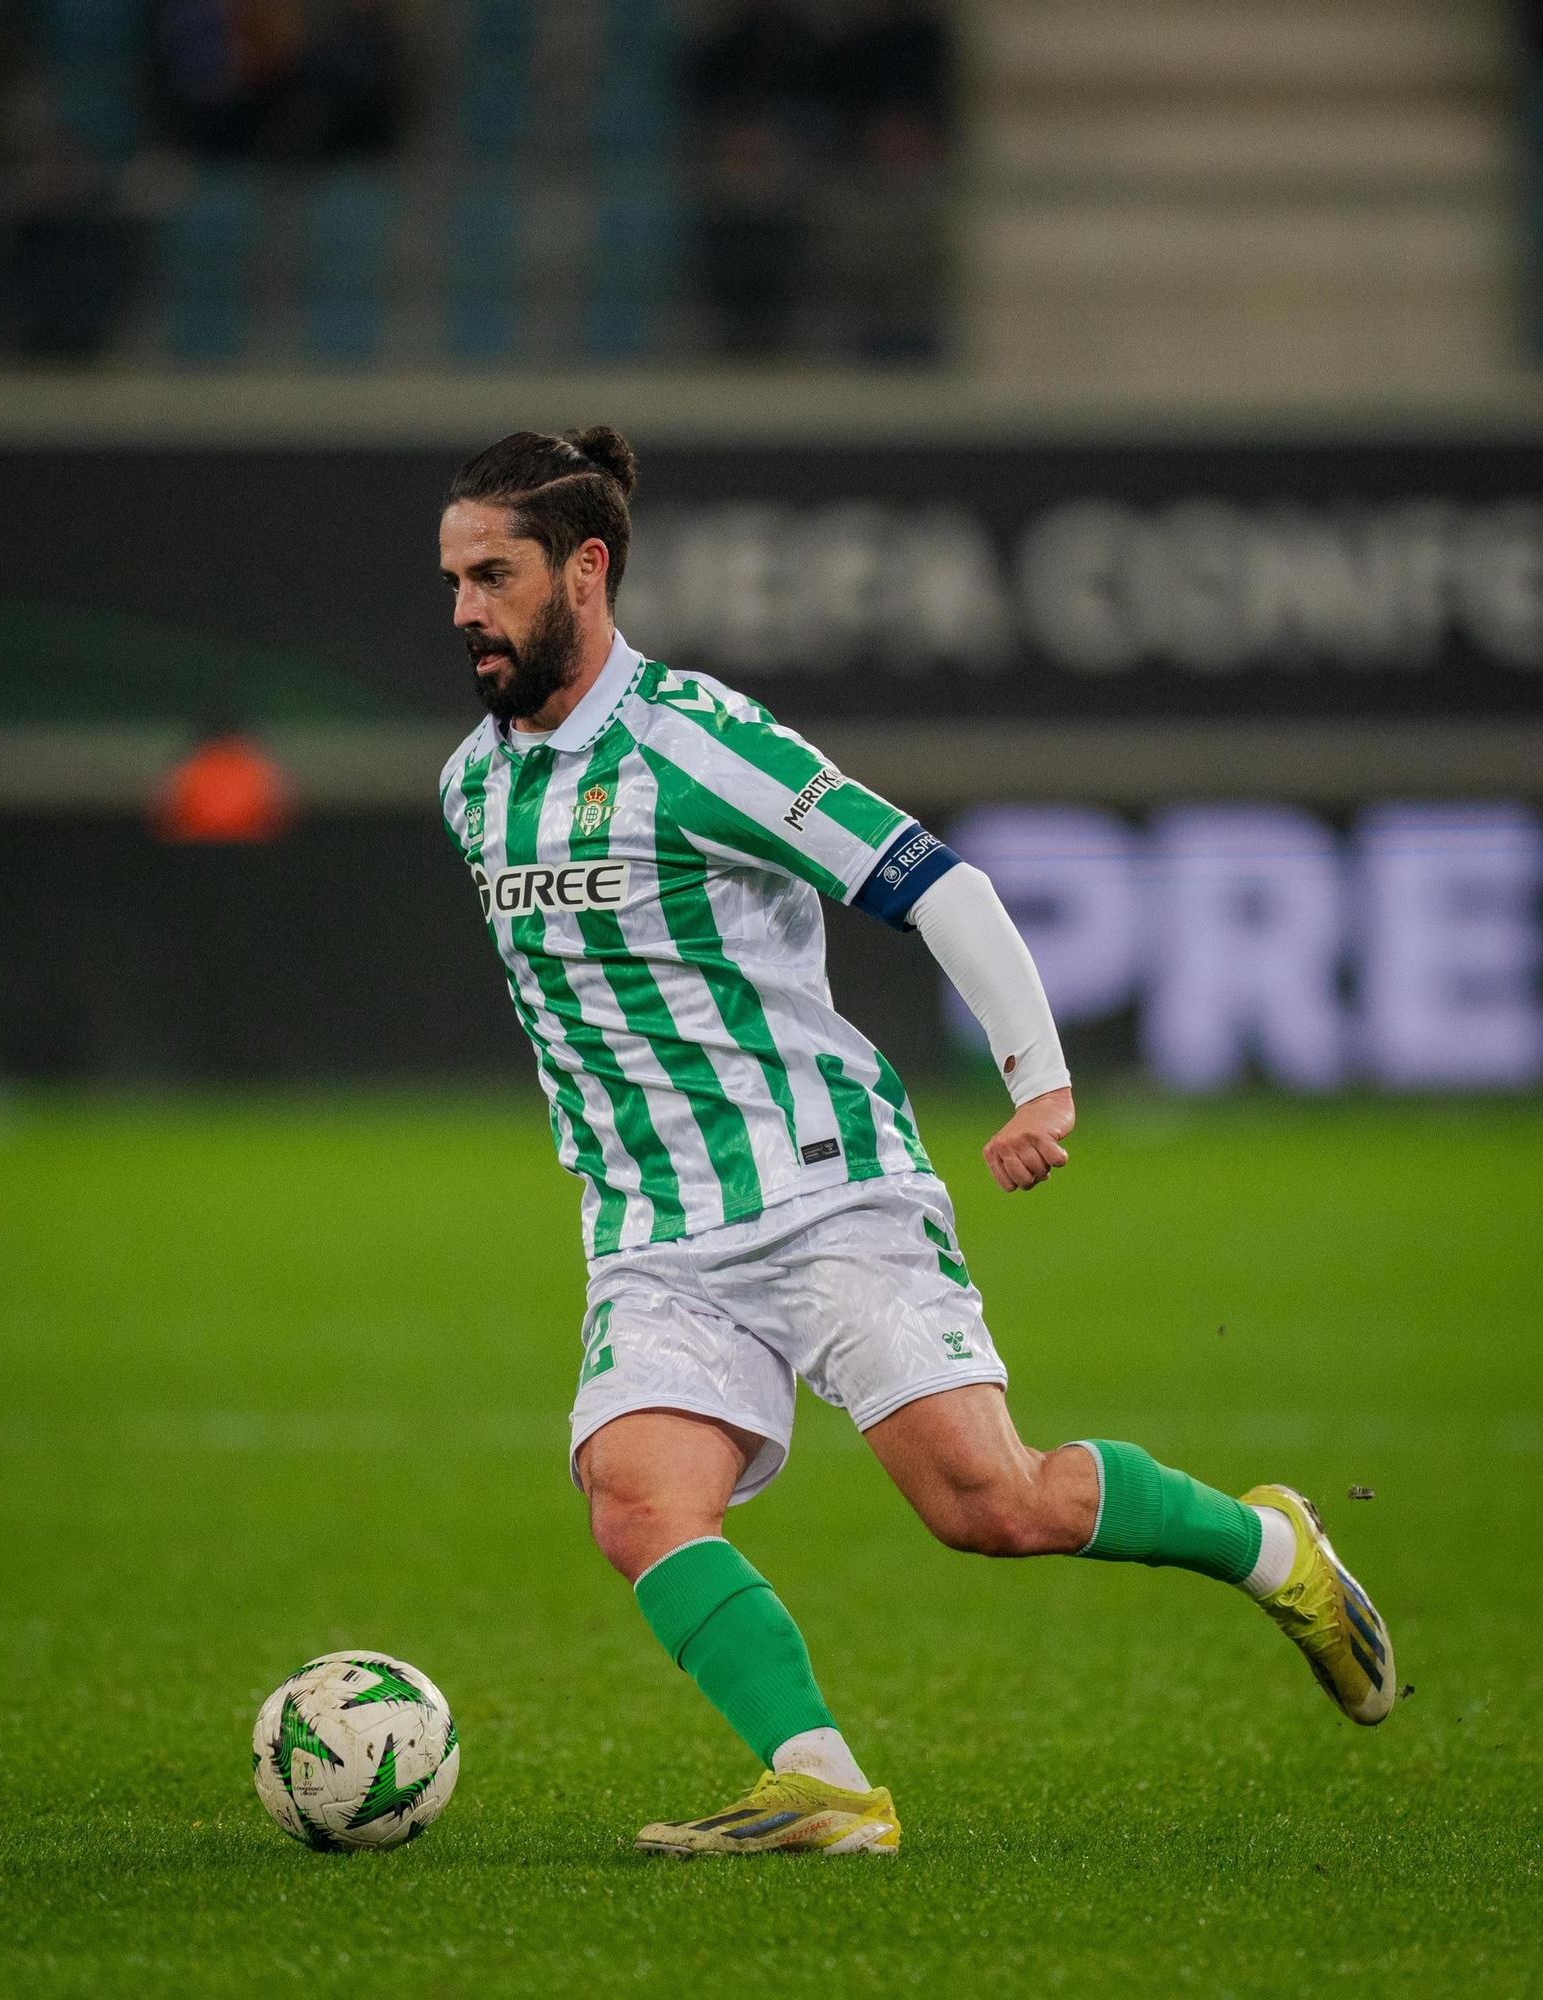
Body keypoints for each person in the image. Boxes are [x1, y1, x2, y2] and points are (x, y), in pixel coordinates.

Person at [435, 427, 1396, 1858]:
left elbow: (935, 887)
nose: (464, 609)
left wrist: (1041, 1080)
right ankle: (822, 1784)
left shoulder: (699, 740)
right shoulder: (471, 784)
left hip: (826, 1192)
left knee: (989, 1506)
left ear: (587, 568)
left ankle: (1276, 1549)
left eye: (493, 574)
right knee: (638, 1502)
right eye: (451, 578)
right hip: (649, 1230)